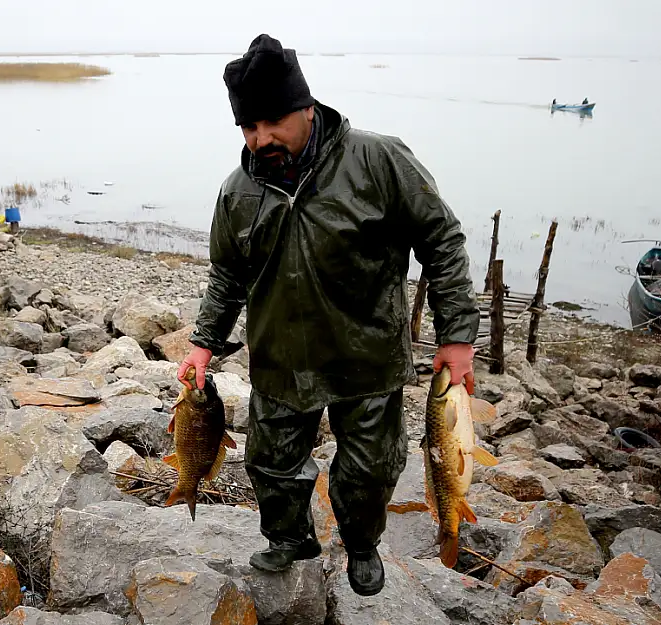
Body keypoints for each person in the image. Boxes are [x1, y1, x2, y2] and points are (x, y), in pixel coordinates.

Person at [176, 33, 479, 597]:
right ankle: (290, 538)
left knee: (369, 469)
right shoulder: (237, 191)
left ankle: (362, 544)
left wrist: (457, 334)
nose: (260, 138)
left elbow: (441, 237)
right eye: (248, 127)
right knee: (269, 464)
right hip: (280, 360)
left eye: (271, 123)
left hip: (367, 355)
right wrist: (202, 343)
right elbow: (226, 276)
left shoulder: (379, 159)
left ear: (306, 108)